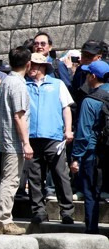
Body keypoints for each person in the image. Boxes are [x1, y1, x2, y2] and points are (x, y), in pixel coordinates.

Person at [25, 53, 75, 225]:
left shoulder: (57, 84)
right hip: (31, 138)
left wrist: (68, 130)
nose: (31, 68)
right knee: (34, 177)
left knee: (61, 175)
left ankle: (67, 211)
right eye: (30, 65)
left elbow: (66, 108)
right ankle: (38, 211)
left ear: (43, 67)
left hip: (54, 137)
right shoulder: (24, 85)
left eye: (35, 65)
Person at [0, 46, 33, 235]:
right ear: (28, 64)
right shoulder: (17, 84)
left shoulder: (6, 81)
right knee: (10, 181)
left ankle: (3, 221)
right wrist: (26, 143)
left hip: (6, 139)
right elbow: (19, 116)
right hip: (14, 141)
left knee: (8, 179)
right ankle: (4, 221)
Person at [70, 60, 109, 234]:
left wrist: (76, 158)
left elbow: (83, 134)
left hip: (92, 154)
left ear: (92, 76)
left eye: (87, 74)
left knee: (90, 192)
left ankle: (91, 230)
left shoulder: (90, 100)